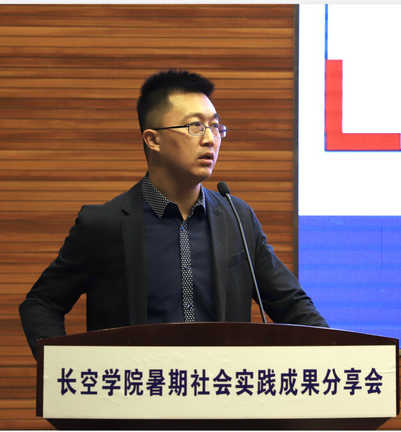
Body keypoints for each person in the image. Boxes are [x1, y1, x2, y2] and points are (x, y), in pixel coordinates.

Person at [19, 69, 328, 358]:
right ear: (153, 139)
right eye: (195, 126)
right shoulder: (104, 224)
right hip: (139, 392)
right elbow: (42, 303)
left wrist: (338, 357)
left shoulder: (238, 218)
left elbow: (292, 305)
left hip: (222, 390)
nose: (210, 139)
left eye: (215, 126)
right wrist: (62, 367)